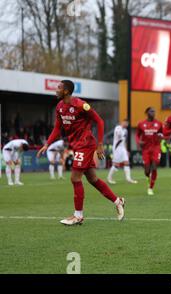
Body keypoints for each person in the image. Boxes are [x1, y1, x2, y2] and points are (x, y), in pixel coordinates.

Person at [37, 80, 125, 226]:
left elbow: (100, 121)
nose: (56, 90)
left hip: (86, 144)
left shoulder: (80, 105)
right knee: (92, 179)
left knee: (75, 178)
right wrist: (47, 144)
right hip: (76, 145)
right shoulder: (59, 107)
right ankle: (118, 201)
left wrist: (100, 144)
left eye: (59, 88)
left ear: (66, 91)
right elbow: (57, 128)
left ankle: (78, 216)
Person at [136, 107, 163, 196]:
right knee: (147, 171)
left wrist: (162, 136)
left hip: (156, 148)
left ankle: (151, 188)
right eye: (151, 111)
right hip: (146, 149)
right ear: (147, 112)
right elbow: (137, 135)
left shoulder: (159, 123)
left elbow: (163, 133)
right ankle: (149, 178)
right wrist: (138, 142)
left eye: (154, 111)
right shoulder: (141, 124)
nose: (153, 113)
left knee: (154, 167)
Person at [107, 118, 138, 185]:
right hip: (117, 148)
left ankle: (128, 178)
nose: (126, 124)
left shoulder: (126, 130)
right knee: (116, 164)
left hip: (122, 148)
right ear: (122, 122)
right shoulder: (118, 128)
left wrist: (126, 150)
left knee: (126, 162)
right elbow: (118, 136)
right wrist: (120, 133)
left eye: (127, 123)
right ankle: (109, 178)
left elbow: (124, 141)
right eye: (125, 123)